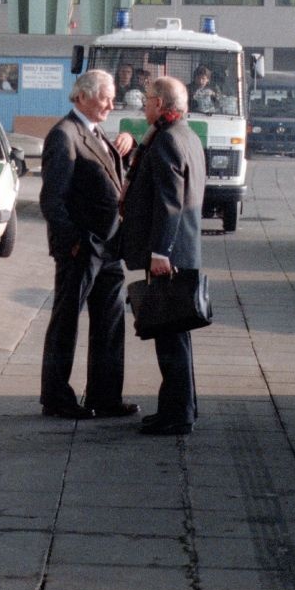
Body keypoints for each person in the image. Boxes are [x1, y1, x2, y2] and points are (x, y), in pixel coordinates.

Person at [38, 69, 137, 421]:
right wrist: (73, 243)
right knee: (66, 322)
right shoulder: (64, 135)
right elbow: (52, 199)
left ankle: (106, 395)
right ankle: (56, 397)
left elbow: (107, 175)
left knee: (110, 322)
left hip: (109, 246)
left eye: (112, 97)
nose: (111, 104)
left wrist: (127, 142)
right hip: (82, 248)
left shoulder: (96, 132)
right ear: (82, 96)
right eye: (105, 97)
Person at [119, 76, 206, 437]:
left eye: (147, 99)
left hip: (169, 256)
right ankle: (179, 408)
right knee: (176, 336)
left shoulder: (168, 140)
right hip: (182, 251)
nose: (143, 105)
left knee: (170, 337)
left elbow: (171, 202)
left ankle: (178, 415)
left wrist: (160, 252)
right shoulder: (187, 135)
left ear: (160, 103)